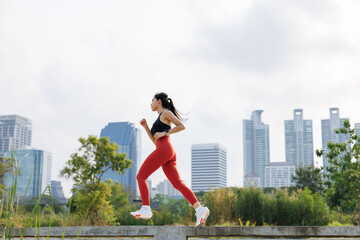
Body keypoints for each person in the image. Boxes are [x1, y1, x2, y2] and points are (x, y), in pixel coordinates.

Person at [130, 92, 210, 227]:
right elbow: (155, 140)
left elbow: (181, 126)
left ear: (159, 101)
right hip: (164, 149)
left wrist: (165, 132)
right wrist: (146, 127)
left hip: (165, 149)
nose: (151, 103)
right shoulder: (159, 118)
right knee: (177, 184)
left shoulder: (165, 113)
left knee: (141, 176)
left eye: (152, 100)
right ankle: (200, 209)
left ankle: (146, 208)